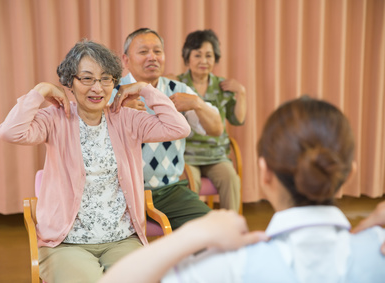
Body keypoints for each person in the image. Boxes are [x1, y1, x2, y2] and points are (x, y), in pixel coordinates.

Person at [99, 96, 385, 283]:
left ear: (264, 173)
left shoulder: (231, 266)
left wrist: (195, 234)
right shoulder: (378, 250)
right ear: (350, 174)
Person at [0, 39, 191, 283]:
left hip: (121, 239)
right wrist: (40, 91)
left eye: (105, 78)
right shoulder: (56, 118)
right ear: (70, 81)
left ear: (114, 82)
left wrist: (144, 89)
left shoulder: (126, 118)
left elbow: (179, 127)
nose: (97, 88)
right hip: (66, 243)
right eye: (87, 78)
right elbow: (9, 132)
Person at [111, 28, 224, 229]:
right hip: (118, 192)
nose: (152, 57)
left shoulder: (178, 91)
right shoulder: (112, 92)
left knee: (214, 229)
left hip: (169, 191)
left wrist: (198, 103)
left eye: (157, 51)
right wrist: (115, 113)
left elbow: (216, 129)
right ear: (126, 60)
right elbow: (87, 136)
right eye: (144, 52)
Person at [177, 29, 247, 212]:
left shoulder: (223, 86)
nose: (203, 61)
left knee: (231, 179)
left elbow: (237, 120)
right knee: (189, 185)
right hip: (187, 155)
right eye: (197, 55)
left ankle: (228, 234)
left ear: (215, 59)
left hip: (216, 155)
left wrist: (242, 93)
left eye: (209, 55)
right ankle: (197, 234)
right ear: (187, 58)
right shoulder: (177, 85)